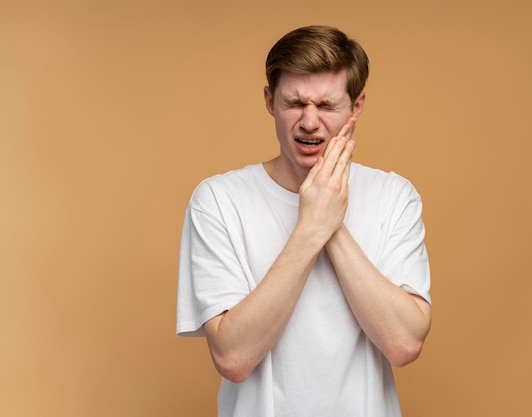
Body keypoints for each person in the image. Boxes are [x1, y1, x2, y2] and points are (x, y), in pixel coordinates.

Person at [176, 25, 432, 417]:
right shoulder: (218, 201)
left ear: (356, 107)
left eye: (327, 106)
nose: (309, 122)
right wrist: (310, 227)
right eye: (294, 103)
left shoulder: (394, 196)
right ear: (269, 101)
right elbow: (233, 358)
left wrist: (329, 219)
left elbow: (404, 345)